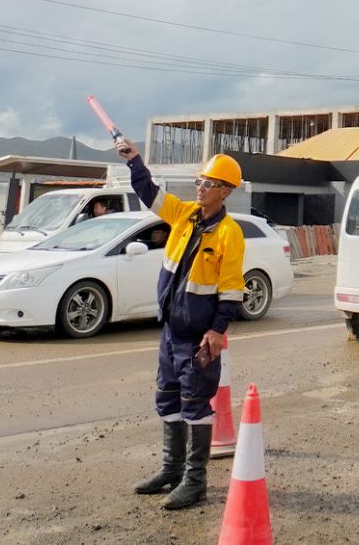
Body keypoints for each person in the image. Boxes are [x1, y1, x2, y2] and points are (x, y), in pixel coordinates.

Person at [116, 136, 246, 511]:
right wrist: (134, 161)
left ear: (225, 191)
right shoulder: (184, 214)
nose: (200, 187)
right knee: (167, 399)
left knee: (196, 406)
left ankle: (195, 482)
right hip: (172, 331)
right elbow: (148, 192)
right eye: (200, 180)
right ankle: (171, 470)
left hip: (198, 338)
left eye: (208, 183)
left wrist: (217, 330)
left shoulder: (229, 233)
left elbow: (232, 288)